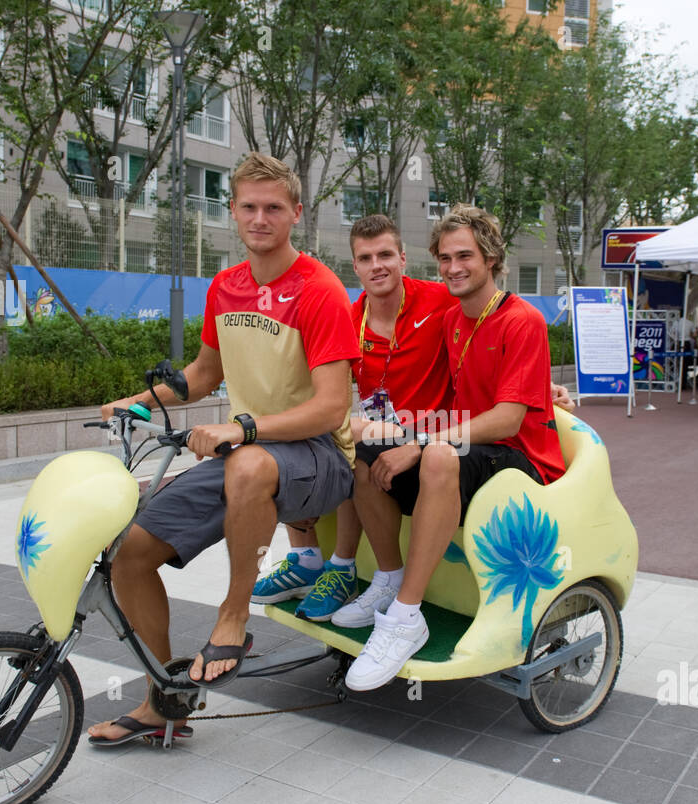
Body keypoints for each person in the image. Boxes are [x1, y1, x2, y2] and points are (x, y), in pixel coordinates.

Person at [86, 153, 358, 745]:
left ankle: (233, 616)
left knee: (249, 461)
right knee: (128, 552)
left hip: (320, 458)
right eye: (249, 207)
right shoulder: (225, 287)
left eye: (274, 208)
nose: (260, 219)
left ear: (296, 214)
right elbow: (203, 375)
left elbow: (333, 406)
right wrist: (135, 401)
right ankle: (167, 702)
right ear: (232, 211)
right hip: (247, 458)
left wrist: (245, 430)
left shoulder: (320, 289)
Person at [253, 215, 576, 622]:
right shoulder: (373, 320)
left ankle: (376, 590)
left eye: (385, 254)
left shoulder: (445, 303)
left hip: (457, 439)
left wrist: (540, 389)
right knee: (338, 437)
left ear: (403, 259)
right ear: (354, 266)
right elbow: (317, 392)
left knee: (394, 444)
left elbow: (503, 370)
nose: (377, 265)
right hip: (433, 435)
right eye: (366, 258)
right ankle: (314, 559)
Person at [339, 204, 566, 690]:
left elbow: (507, 419)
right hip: (467, 446)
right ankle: (390, 579)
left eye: (464, 256)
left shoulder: (521, 319)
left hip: (522, 459)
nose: (452, 267)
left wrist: (420, 442)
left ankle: (405, 618)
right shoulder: (453, 319)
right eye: (443, 258)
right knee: (363, 456)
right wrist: (394, 437)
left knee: (437, 454)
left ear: (491, 258)